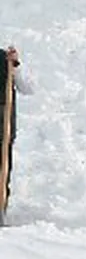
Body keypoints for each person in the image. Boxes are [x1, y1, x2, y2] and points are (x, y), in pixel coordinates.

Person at [1, 45, 34, 210]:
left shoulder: (5, 60)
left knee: (2, 168)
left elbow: (28, 88)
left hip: (3, 127)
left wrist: (15, 66)